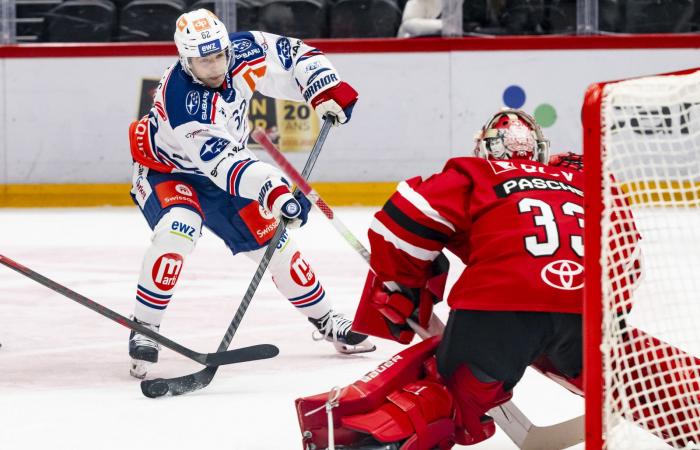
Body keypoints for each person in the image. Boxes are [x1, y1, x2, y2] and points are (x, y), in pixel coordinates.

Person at [295, 109, 600, 449]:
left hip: (499, 312)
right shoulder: (581, 179)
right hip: (585, 310)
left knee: (445, 396)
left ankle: (383, 438)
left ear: (486, 148)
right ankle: (659, 404)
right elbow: (625, 253)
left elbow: (400, 224)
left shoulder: (480, 173)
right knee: (624, 380)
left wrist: (403, 289)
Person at [127, 9, 375, 379]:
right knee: (178, 230)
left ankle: (327, 321)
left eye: (219, 56)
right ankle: (145, 328)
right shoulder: (183, 101)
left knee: (276, 244)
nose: (215, 67)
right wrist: (275, 192)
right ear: (185, 60)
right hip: (168, 170)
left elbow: (294, 57)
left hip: (229, 173)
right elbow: (225, 165)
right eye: (203, 60)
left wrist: (324, 89)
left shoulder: (242, 50)